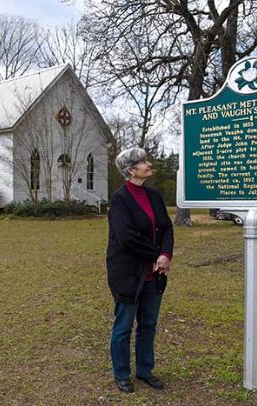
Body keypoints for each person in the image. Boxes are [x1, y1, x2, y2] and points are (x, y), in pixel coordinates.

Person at [106, 147, 174, 393]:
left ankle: (145, 370)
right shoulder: (120, 199)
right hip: (128, 275)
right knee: (123, 326)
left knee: (148, 324)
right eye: (143, 161)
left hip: (153, 275)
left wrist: (165, 255)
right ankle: (122, 373)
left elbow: (166, 228)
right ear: (130, 170)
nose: (149, 163)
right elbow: (127, 238)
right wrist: (156, 254)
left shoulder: (154, 196)